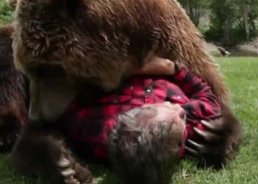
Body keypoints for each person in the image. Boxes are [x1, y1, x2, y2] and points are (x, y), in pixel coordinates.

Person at [59, 57, 223, 167]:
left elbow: (68, 111)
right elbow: (207, 96)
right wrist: (172, 69)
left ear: (143, 108)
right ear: (180, 146)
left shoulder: (96, 131)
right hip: (163, 65)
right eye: (181, 115)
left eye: (167, 106)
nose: (176, 107)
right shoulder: (188, 124)